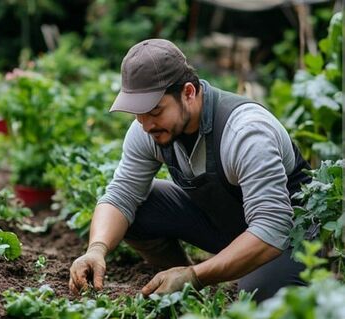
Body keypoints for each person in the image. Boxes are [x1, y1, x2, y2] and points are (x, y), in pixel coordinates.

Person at [69, 39, 312, 302]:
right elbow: (121, 195)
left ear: (188, 92)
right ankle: (176, 285)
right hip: (230, 223)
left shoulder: (245, 132)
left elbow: (272, 226)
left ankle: (194, 278)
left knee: (260, 296)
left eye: (155, 111)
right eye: (137, 113)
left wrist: (196, 275)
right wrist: (95, 249)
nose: (145, 124)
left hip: (288, 237)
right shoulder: (148, 129)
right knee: (138, 208)